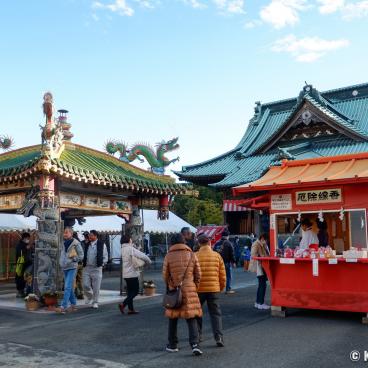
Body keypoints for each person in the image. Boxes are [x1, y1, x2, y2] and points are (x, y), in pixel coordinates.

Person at [163, 233, 203, 356]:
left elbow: (165, 275)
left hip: (175, 290)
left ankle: (173, 345)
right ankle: (195, 344)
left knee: (173, 317)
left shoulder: (169, 255)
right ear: (183, 241)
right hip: (190, 288)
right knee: (191, 318)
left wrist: (171, 285)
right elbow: (198, 274)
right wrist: (194, 286)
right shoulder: (191, 254)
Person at [196, 234, 226, 347]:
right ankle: (218, 337)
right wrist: (221, 287)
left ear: (199, 243)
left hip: (199, 290)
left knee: (197, 313)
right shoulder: (217, 256)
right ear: (209, 243)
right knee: (215, 314)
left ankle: (198, 336)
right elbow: (223, 275)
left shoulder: (195, 256)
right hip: (213, 289)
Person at [119, 234, 151, 315]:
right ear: (128, 240)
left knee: (130, 292)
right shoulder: (130, 249)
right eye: (130, 238)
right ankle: (123, 304)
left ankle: (131, 309)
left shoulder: (122, 249)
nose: (131, 240)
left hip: (126, 274)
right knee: (135, 291)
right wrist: (149, 261)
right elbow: (142, 255)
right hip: (132, 273)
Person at [56, 227, 84, 314]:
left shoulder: (76, 243)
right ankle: (73, 304)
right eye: (64, 232)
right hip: (64, 267)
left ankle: (63, 306)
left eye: (66, 232)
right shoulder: (63, 243)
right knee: (69, 287)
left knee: (67, 287)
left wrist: (74, 259)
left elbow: (81, 255)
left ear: (71, 234)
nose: (65, 234)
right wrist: (61, 262)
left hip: (72, 267)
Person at [82, 230, 108, 309]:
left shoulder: (101, 244)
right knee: (85, 285)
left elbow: (105, 255)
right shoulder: (87, 244)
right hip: (87, 267)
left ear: (96, 236)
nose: (89, 237)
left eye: (91, 235)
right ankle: (89, 296)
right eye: (89, 235)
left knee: (96, 286)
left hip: (97, 268)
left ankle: (95, 302)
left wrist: (102, 263)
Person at [249, 234, 270, 310]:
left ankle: (258, 302)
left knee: (261, 285)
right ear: (263, 238)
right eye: (266, 240)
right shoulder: (256, 244)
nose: (266, 241)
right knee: (262, 285)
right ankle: (261, 303)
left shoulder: (262, 244)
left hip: (261, 266)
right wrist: (262, 256)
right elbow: (253, 255)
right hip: (259, 267)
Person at [15, 232, 33, 298]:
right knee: (20, 278)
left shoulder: (28, 244)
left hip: (28, 264)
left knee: (28, 277)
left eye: (29, 238)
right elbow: (19, 253)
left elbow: (31, 252)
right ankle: (20, 291)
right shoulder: (19, 245)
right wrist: (26, 248)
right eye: (27, 238)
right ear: (23, 238)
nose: (28, 239)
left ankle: (28, 291)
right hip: (21, 264)